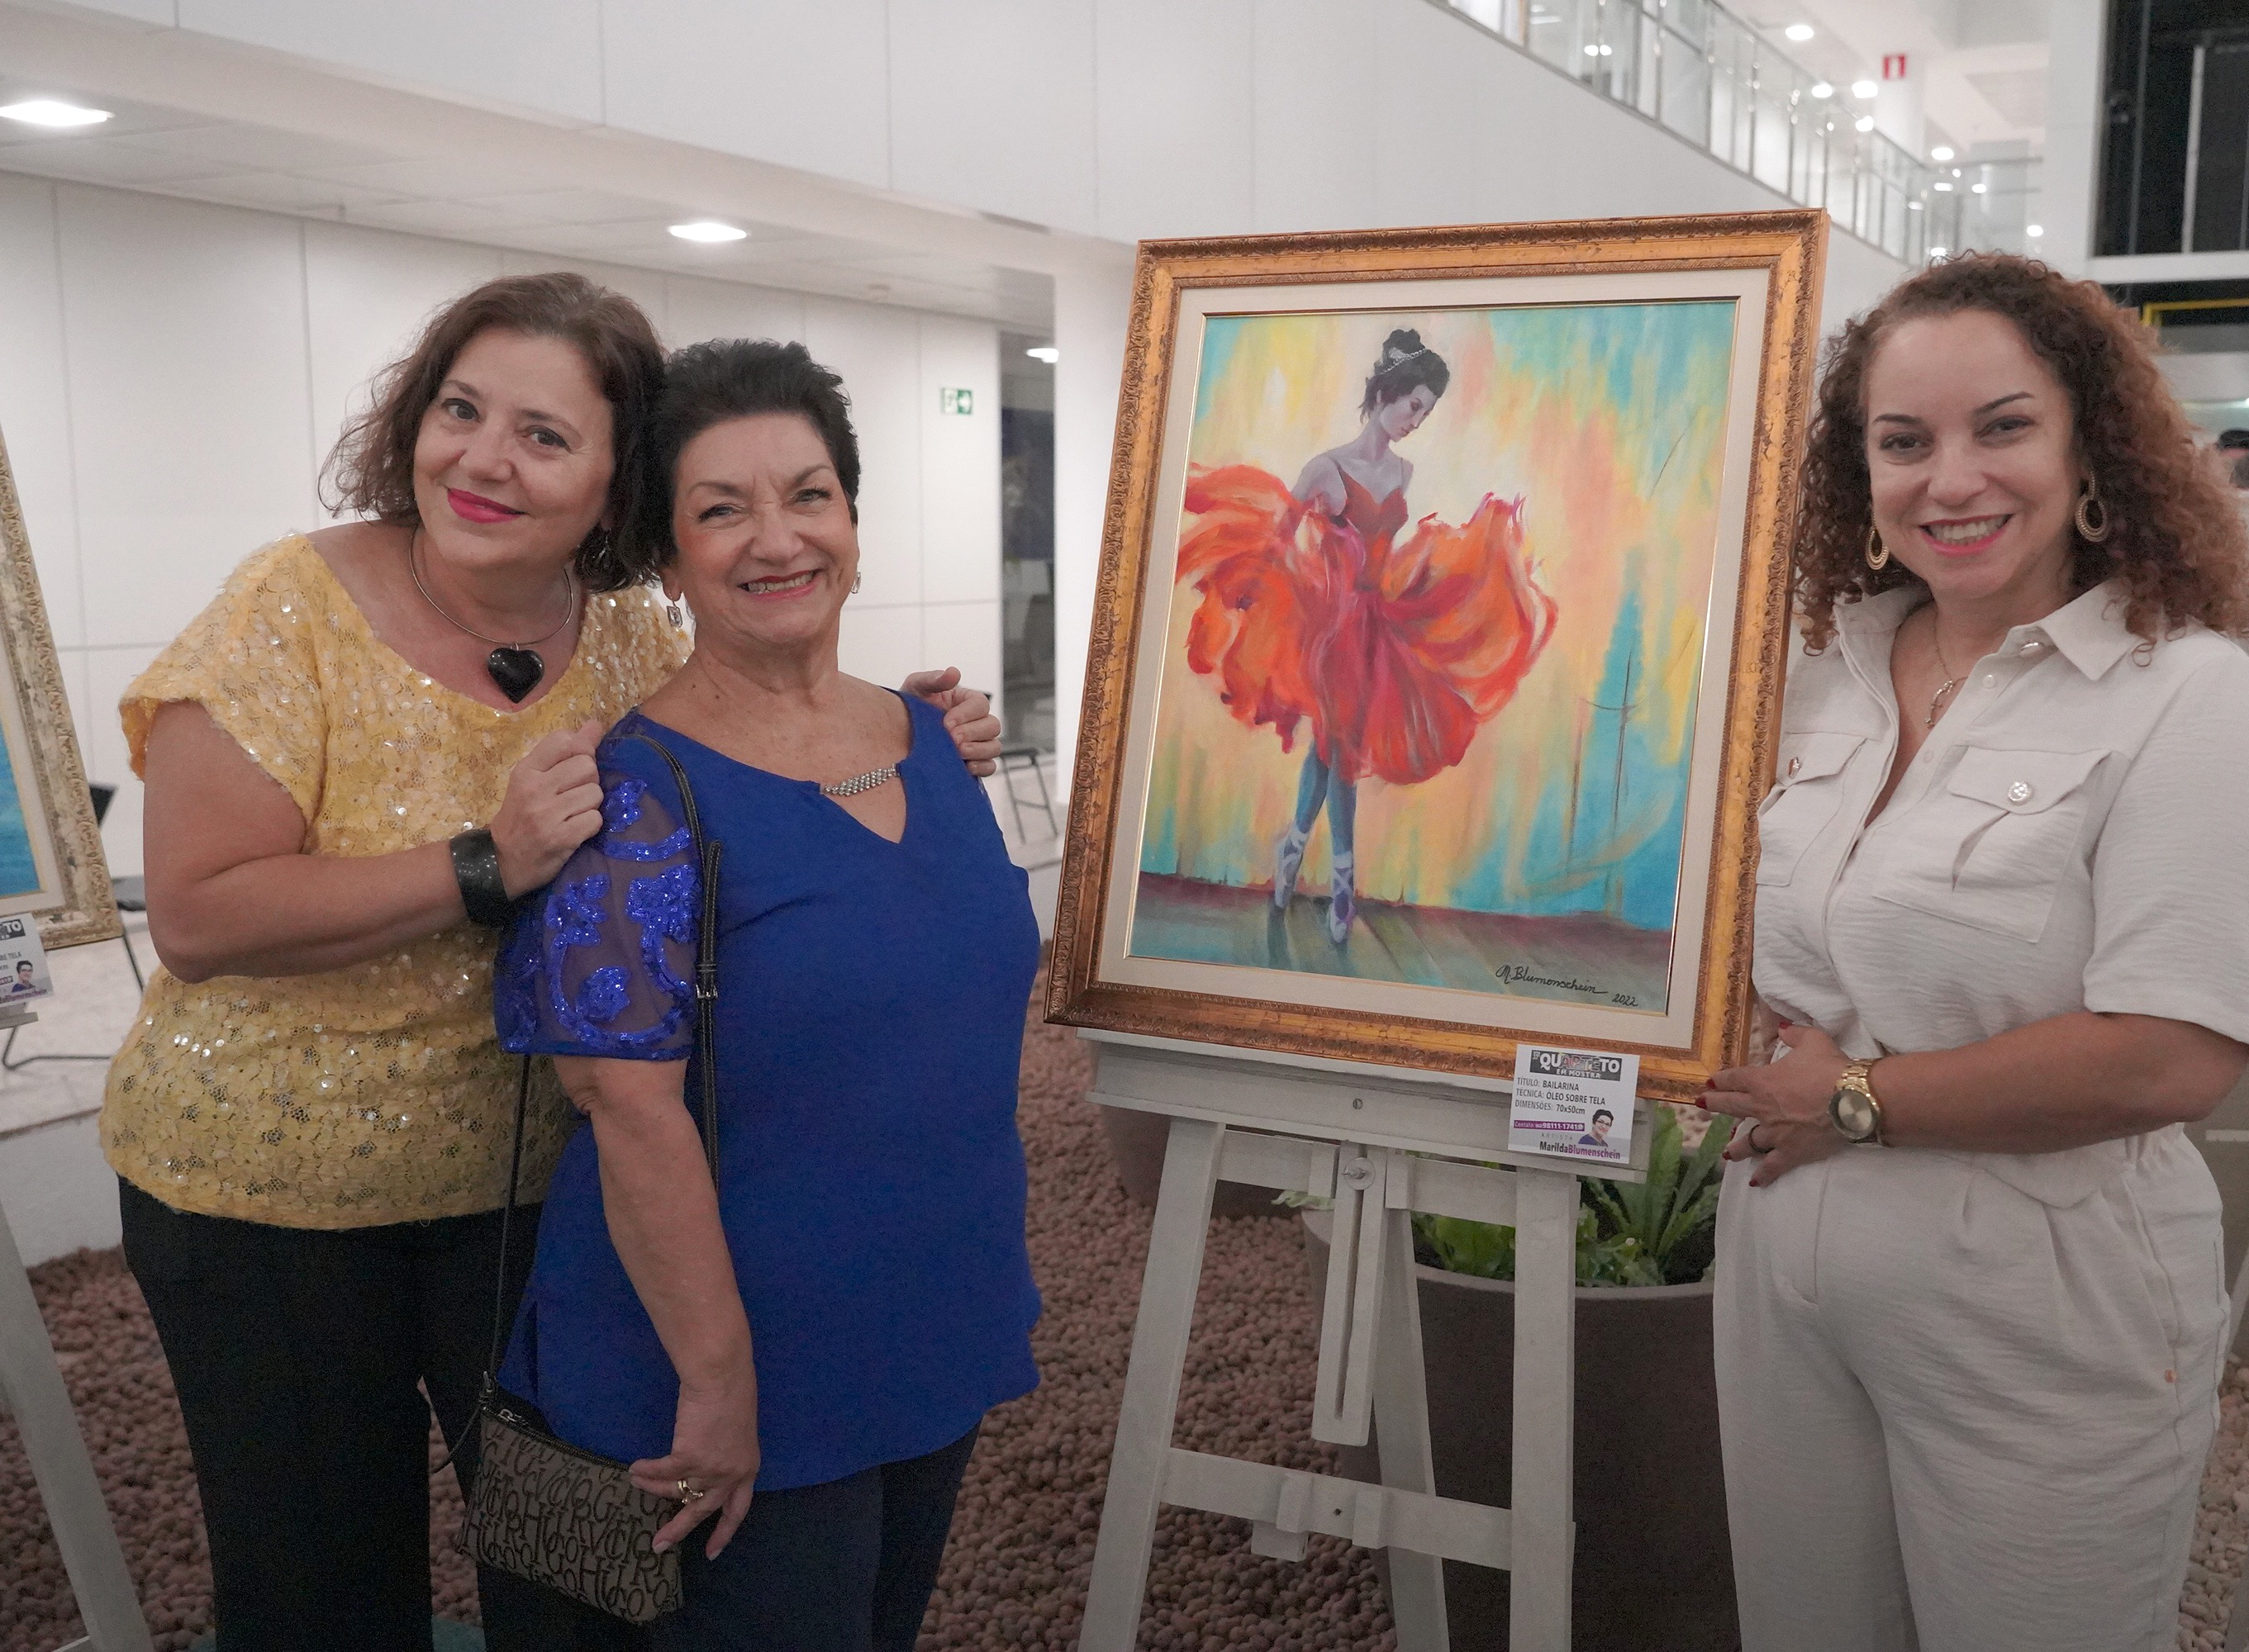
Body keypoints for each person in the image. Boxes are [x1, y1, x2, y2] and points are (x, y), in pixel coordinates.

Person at [103, 273, 1001, 1652]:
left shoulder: (625, 627)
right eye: (460, 411)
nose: (484, 459)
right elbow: (198, 914)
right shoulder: (290, 607)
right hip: (275, 1192)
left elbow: (746, 696)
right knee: (322, 1591)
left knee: (572, 1571)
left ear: (612, 489)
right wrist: (483, 863)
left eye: (542, 434)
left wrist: (897, 729)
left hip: (529, 1182)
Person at [1699, 252, 2249, 1650]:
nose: (1951, 479)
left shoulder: (2189, 700)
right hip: (1783, 1272)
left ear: (2088, 444)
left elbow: (2170, 1055)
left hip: (2043, 1306)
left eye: (2002, 427)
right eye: (1902, 442)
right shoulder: (1811, 679)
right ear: (1859, 471)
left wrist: (1855, 1099)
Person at [492, 338, 1042, 1650]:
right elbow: (627, 1110)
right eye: (722, 509)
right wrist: (717, 1379)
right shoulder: (632, 794)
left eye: (809, 495)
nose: (778, 538)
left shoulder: (932, 740)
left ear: (853, 519)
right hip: (719, 1363)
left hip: (926, 1309)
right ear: (668, 558)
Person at [1175, 328, 1556, 943]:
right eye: (1414, 406)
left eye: (1426, 413)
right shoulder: (1325, 469)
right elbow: (1280, 539)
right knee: (1343, 753)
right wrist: (1262, 587)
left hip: (1378, 625)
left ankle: (1293, 848)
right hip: (1330, 632)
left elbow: (1383, 550)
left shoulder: (1404, 472)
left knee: (1332, 750)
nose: (1417, 421)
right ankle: (1343, 884)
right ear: (1386, 394)